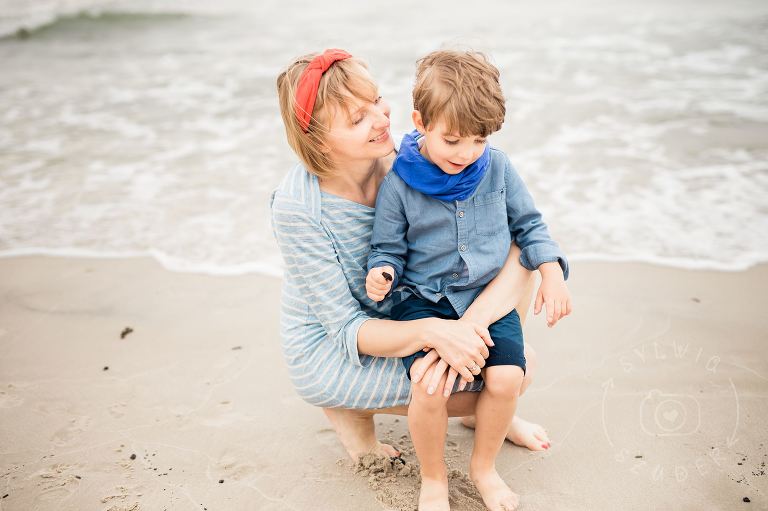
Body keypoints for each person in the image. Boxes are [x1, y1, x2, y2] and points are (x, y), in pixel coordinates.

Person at [271, 48, 564, 504]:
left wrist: (466, 331)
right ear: (319, 141)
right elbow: (346, 326)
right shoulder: (300, 207)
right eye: (356, 119)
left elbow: (514, 237)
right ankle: (351, 416)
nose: (381, 121)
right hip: (341, 341)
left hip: (431, 312)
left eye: (377, 101)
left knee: (509, 373)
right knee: (464, 386)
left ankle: (490, 414)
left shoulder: (414, 158)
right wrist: (434, 332)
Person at [365, 50, 571, 511]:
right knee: (430, 386)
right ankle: (434, 479)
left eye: (478, 140)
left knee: (505, 379)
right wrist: (381, 273)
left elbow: (531, 226)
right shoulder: (399, 184)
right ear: (420, 122)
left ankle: (484, 467)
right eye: (453, 140)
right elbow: (387, 249)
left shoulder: (497, 167)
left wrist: (552, 273)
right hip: (424, 299)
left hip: (485, 298)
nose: (466, 154)